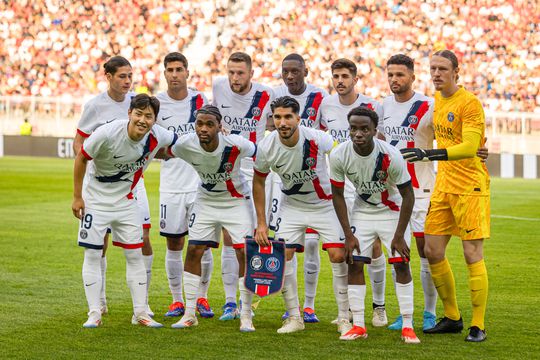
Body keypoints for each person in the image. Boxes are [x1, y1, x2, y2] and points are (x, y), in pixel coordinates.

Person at [401, 49, 490, 342]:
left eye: (442, 69)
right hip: (444, 186)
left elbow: (469, 146)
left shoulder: (470, 103)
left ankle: (478, 324)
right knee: (432, 250)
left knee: (471, 253)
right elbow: (423, 130)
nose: (436, 74)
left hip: (470, 186)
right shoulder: (437, 100)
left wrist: (430, 154)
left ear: (456, 72)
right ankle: (452, 316)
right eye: (433, 69)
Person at [72, 94, 176, 328]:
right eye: (138, 114)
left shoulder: (158, 135)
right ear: (129, 113)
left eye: (148, 116)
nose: (142, 120)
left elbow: (181, 142)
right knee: (92, 254)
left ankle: (140, 313)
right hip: (96, 200)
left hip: (127, 201)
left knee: (134, 255)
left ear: (154, 120)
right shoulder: (107, 133)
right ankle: (94, 313)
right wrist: (77, 196)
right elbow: (81, 158)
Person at [253, 96, 349, 335]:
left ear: (298, 118)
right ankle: (295, 317)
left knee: (338, 255)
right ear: (272, 119)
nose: (282, 122)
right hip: (292, 206)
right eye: (277, 117)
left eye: (288, 117)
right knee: (283, 255)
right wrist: (262, 223)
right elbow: (258, 181)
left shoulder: (317, 138)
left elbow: (341, 155)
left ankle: (344, 317)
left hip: (324, 205)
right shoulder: (266, 146)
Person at [73, 56, 157, 317]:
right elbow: (79, 144)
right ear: (108, 77)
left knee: (143, 238)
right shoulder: (95, 106)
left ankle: (142, 306)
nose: (127, 81)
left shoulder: (136, 104)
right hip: (100, 184)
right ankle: (99, 300)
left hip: (133, 185)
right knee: (101, 241)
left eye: (130, 75)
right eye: (122, 76)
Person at [330, 106, 419, 343]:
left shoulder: (390, 155)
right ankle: (358, 325)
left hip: (391, 213)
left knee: (401, 264)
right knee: (355, 264)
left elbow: (408, 196)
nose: (358, 133)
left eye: (364, 129)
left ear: (374, 131)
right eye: (353, 128)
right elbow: (337, 195)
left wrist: (399, 235)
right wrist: (348, 234)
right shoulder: (339, 155)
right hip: (363, 212)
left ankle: (408, 325)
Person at [167, 105, 257, 332]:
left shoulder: (236, 144)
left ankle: (246, 314)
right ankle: (189, 313)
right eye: (199, 124)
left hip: (235, 200)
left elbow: (260, 153)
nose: (203, 129)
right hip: (205, 200)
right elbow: (163, 151)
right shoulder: (185, 144)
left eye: (209, 124)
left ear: (220, 126)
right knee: (194, 250)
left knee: (242, 252)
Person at [319, 58, 388, 327]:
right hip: (337, 185)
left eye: (345, 76)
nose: (340, 81)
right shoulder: (325, 105)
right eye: (336, 76)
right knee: (343, 251)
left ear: (355, 78)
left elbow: (381, 144)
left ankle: (379, 307)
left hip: (367, 186)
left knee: (374, 247)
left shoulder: (373, 106)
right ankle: (346, 310)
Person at [211, 52, 273, 320]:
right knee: (229, 237)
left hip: (257, 173)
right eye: (231, 72)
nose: (235, 78)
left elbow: (276, 122)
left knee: (253, 238)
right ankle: (229, 301)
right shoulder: (217, 87)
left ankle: (247, 298)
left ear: (251, 74)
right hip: (229, 170)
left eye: (240, 73)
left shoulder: (266, 94)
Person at [381, 54, 438, 331]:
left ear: (413, 77)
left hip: (423, 189)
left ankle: (429, 312)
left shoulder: (428, 106)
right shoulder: (383, 106)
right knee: (397, 252)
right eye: (390, 74)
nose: (394, 79)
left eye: (400, 75)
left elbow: (449, 138)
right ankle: (404, 312)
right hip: (393, 193)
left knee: (425, 251)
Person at [155, 52, 214, 319]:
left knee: (202, 244)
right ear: (165, 73)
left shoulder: (200, 100)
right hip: (171, 185)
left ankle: (202, 297)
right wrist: (167, 153)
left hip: (200, 184)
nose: (175, 74)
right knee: (175, 243)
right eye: (170, 70)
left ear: (187, 72)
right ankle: (177, 300)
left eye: (179, 69)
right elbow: (148, 145)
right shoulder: (156, 104)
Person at [272, 53, 329, 323]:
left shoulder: (321, 98)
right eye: (286, 71)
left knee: (313, 244)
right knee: (287, 245)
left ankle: (309, 305)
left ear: (306, 70)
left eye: (295, 71)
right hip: (284, 180)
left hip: (315, 178)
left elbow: (329, 133)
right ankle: (292, 308)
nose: (290, 76)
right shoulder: (276, 95)